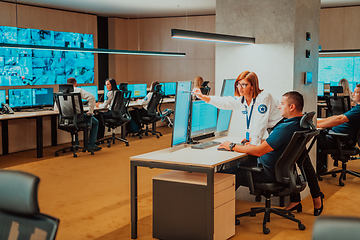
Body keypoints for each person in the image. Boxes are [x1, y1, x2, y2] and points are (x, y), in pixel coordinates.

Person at [218, 91, 323, 216]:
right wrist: (255, 141)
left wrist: (231, 146)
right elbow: (277, 143)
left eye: (282, 104)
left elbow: (259, 151)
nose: (279, 106)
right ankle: (301, 200)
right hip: (278, 171)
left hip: (266, 173)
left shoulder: (285, 128)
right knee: (241, 163)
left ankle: (219, 213)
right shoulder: (300, 125)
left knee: (226, 174)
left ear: (292, 107)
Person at [194, 71, 282, 145]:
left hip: (280, 129)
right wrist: (203, 97)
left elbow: (260, 124)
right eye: (238, 84)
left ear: (252, 86)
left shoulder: (264, 98)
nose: (240, 88)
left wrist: (253, 144)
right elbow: (225, 102)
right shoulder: (243, 100)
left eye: (244, 84)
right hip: (271, 131)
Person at [317, 84, 360, 173]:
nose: (353, 93)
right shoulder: (357, 108)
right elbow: (338, 116)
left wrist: (318, 125)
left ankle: (319, 167)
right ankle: (321, 167)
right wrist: (317, 123)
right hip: (337, 137)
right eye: (354, 91)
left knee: (315, 138)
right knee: (319, 134)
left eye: (356, 92)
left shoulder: (359, 110)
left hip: (340, 140)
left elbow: (340, 119)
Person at [57, 77, 101, 152]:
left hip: (66, 119)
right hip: (79, 118)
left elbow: (56, 108)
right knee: (95, 122)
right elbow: (92, 98)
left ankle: (76, 143)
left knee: (72, 122)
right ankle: (91, 145)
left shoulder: (61, 92)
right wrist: (90, 112)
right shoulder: (78, 90)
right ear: (75, 83)